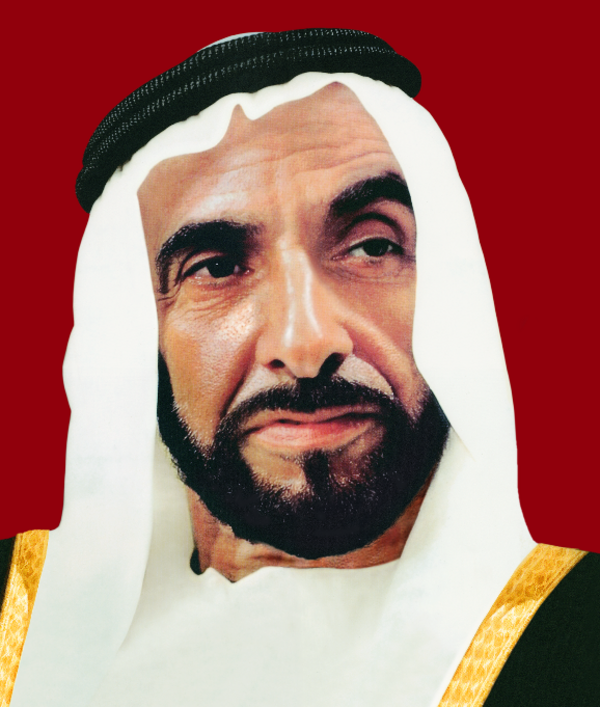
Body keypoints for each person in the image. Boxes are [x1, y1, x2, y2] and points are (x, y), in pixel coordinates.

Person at [2, 28, 598, 707]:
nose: (307, 343)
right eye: (216, 268)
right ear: (137, 340)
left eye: (372, 247)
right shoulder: (14, 631)